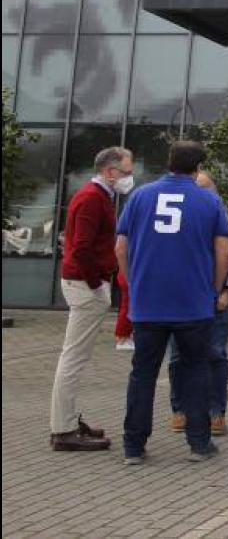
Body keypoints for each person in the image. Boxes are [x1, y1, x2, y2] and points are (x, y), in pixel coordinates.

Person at [116, 140, 228, 464]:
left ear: (169, 162)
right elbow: (223, 252)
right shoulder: (209, 202)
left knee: (143, 373)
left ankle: (134, 447)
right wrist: (213, 288)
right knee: (196, 370)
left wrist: (134, 283)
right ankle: (199, 443)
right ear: (198, 168)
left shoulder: (139, 196)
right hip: (193, 303)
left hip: (148, 302)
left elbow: (120, 249)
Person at [49, 145, 133, 452]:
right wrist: (97, 284)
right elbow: (81, 248)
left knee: (75, 357)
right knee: (73, 357)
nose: (129, 177)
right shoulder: (91, 199)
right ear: (110, 172)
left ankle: (67, 421)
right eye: (126, 171)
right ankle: (63, 429)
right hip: (84, 285)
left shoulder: (98, 197)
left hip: (84, 282)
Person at [168, 170, 228, 436]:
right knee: (178, 355)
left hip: (216, 298)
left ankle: (216, 412)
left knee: (215, 354)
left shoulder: (227, 216)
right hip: (182, 296)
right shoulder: (179, 216)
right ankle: (180, 410)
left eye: (204, 188)